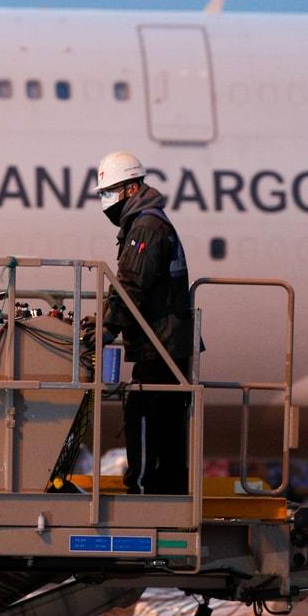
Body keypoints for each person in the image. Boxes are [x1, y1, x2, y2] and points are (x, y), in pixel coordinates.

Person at [88, 150, 195, 495]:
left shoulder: (146, 226)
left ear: (132, 188)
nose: (106, 201)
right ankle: (165, 487)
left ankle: (149, 489)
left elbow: (132, 283)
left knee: (147, 415)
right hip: (162, 342)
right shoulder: (146, 221)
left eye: (110, 192)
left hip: (160, 343)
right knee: (164, 419)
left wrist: (107, 328)